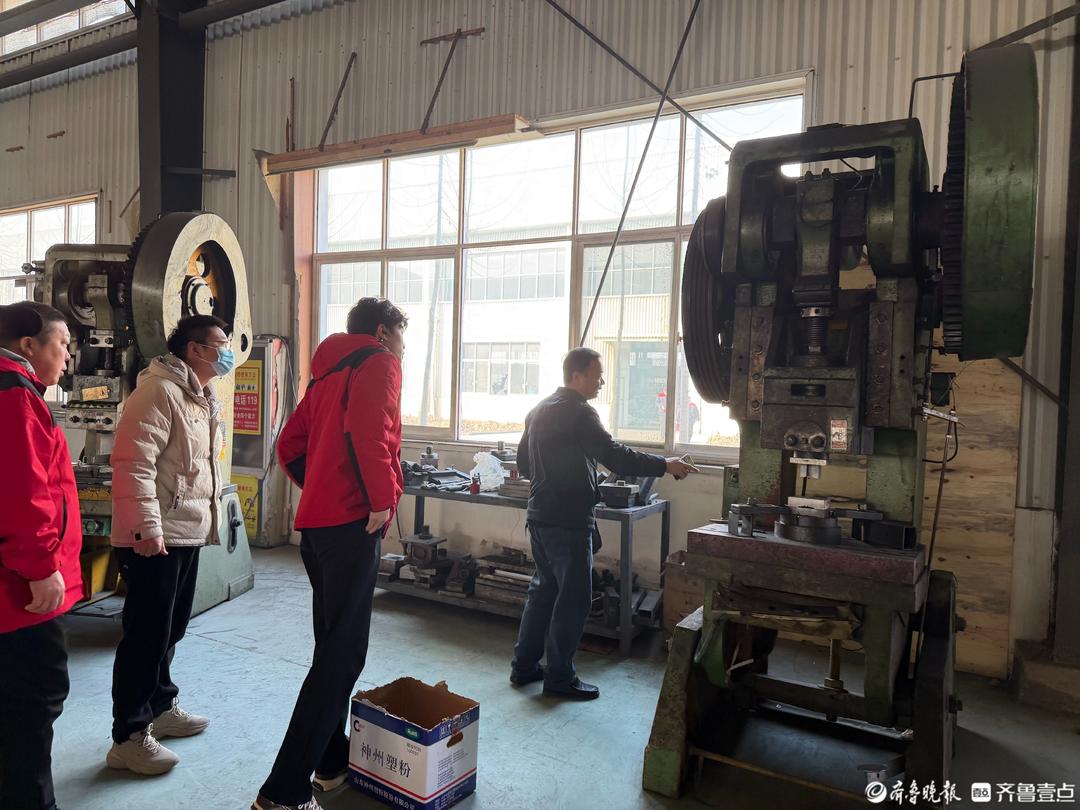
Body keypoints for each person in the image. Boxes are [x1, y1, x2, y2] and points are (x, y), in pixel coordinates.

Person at [253, 297, 406, 810]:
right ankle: (282, 792)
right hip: (350, 528)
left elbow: (288, 446)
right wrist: (380, 500)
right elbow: (369, 433)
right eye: (400, 336)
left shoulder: (327, 371)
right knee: (342, 659)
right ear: (382, 332)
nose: (402, 348)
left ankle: (331, 764)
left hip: (317, 530)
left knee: (332, 651)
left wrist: (320, 487)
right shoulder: (379, 363)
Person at [511, 347, 697, 701]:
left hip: (539, 515)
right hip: (568, 521)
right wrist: (665, 464)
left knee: (543, 591)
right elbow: (616, 456)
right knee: (573, 600)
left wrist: (564, 475)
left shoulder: (539, 409)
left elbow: (524, 462)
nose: (601, 382)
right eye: (597, 376)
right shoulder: (580, 411)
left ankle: (524, 667)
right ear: (577, 376)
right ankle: (560, 678)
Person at [106, 314, 235, 775]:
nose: (228, 352)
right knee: (146, 635)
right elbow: (133, 463)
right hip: (155, 535)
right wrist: (146, 528)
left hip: (185, 530)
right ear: (195, 350)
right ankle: (128, 736)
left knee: (170, 629)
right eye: (221, 344)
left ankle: (160, 706)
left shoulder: (200, 396)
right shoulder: (158, 392)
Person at [0, 302, 82, 810]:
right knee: (34, 699)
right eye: (63, 344)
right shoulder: (14, 394)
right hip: (18, 591)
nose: (68, 356)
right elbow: (23, 492)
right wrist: (41, 568)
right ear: (29, 345)